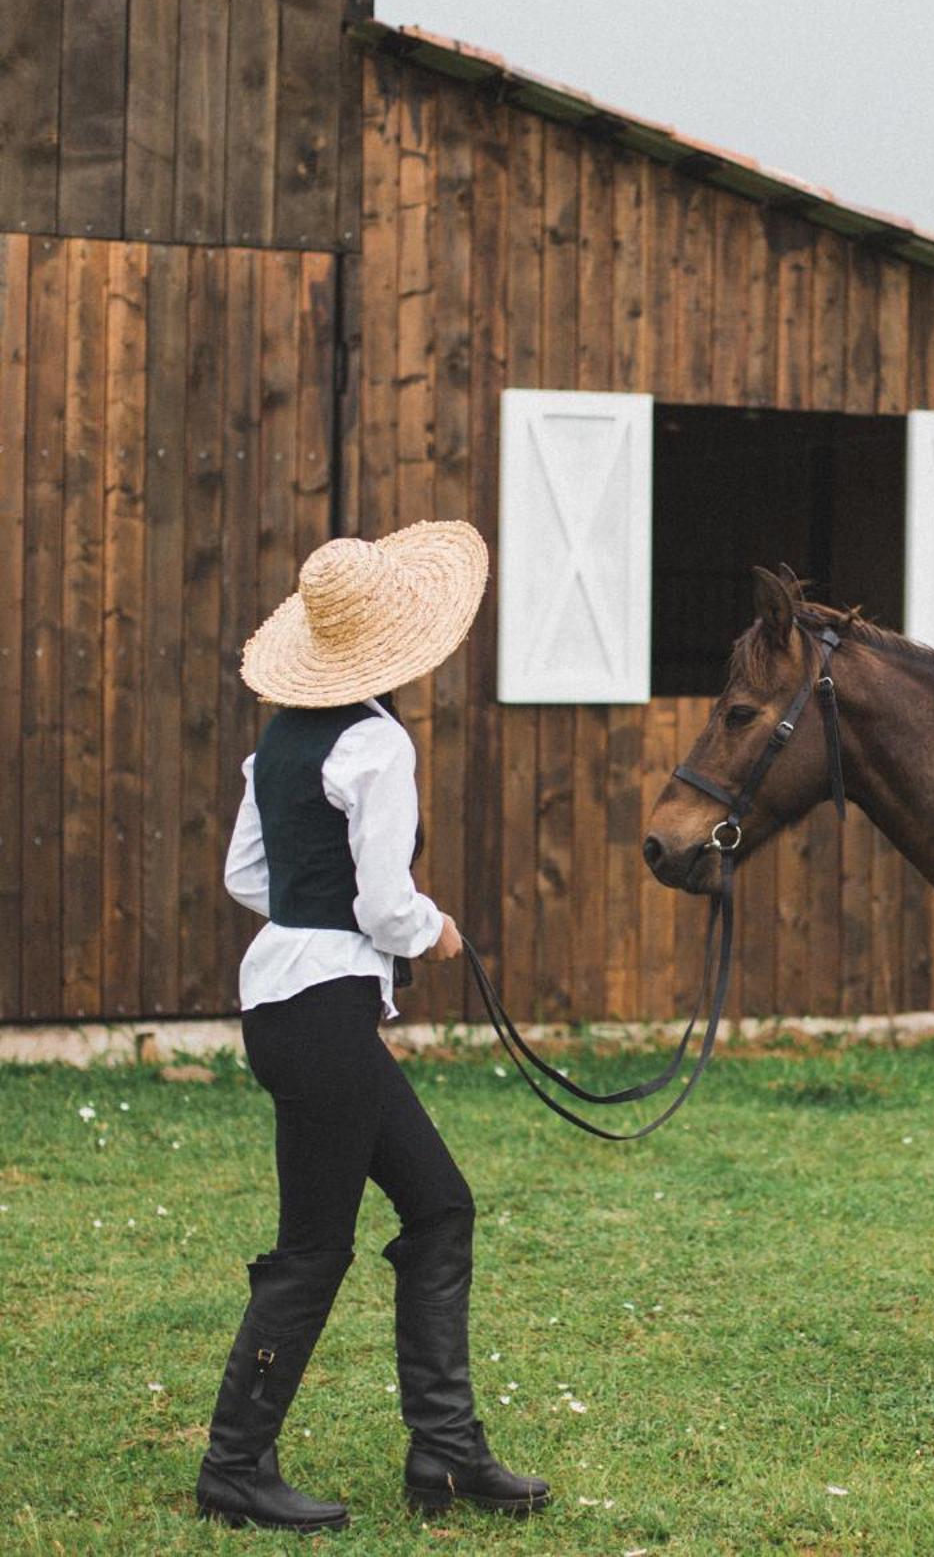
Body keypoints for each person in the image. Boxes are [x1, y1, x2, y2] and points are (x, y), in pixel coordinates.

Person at [194, 520, 550, 1532]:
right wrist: (428, 927)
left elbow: (245, 876)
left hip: (292, 1001)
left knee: (438, 1204)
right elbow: (389, 901)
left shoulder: (280, 740)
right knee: (313, 1245)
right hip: (326, 1010)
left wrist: (326, 908)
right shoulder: (378, 740)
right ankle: (233, 1464)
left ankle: (445, 1452)